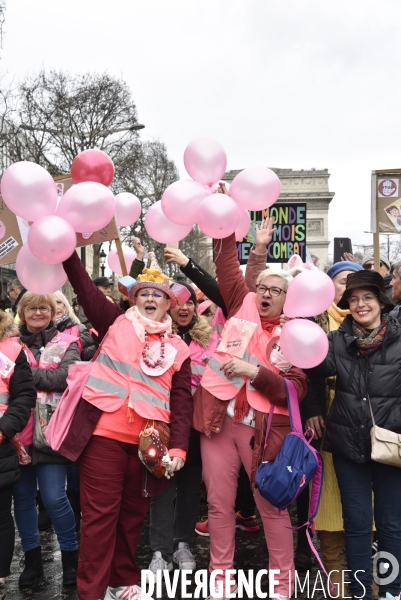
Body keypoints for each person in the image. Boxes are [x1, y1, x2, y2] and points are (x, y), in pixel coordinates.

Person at [59, 251, 193, 600]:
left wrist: (179, 447)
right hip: (103, 436)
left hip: (149, 446)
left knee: (132, 515)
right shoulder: (115, 321)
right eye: (144, 293)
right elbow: (85, 288)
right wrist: (67, 251)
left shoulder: (179, 348)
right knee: (100, 517)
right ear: (134, 299)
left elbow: (181, 401)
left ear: (168, 304)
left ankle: (122, 580)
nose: (150, 298)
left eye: (158, 294)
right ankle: (92, 591)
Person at [193, 201, 308, 600]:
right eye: (263, 288)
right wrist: (224, 220)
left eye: (276, 291)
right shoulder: (241, 304)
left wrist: (255, 373)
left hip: (264, 431)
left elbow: (297, 388)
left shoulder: (298, 333)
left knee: (271, 507)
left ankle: (282, 585)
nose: (266, 295)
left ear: (287, 299)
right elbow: (226, 265)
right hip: (218, 422)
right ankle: (220, 581)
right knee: (219, 504)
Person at [305, 270, 401, 600]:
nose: (360, 304)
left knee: (391, 526)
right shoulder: (337, 339)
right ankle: (361, 592)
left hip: (391, 446)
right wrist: (300, 336)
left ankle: (391, 591)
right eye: (354, 299)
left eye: (367, 298)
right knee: (357, 526)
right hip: (348, 446)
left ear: (381, 302)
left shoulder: (400, 338)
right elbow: (314, 369)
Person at [295, 261, 364, 592]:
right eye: (342, 280)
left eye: (355, 281)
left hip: (367, 432)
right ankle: (336, 584)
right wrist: (311, 409)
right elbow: (305, 369)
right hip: (329, 427)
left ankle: (369, 585)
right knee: (330, 509)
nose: (349, 287)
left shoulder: (374, 327)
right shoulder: (315, 324)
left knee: (369, 516)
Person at [12, 292, 80, 587]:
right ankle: (32, 560)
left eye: (43, 308)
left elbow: (67, 377)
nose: (37, 312)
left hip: (53, 432)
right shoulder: (9, 344)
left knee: (54, 497)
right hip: (19, 434)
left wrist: (25, 375)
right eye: (31, 308)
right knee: (24, 500)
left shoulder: (68, 342)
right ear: (22, 312)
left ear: (53, 313)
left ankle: (70, 557)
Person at [0, 311, 36, 600]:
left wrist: (3, 430)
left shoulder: (12, 350)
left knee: (0, 514)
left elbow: (24, 395)